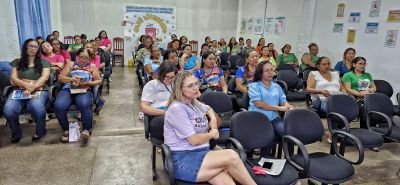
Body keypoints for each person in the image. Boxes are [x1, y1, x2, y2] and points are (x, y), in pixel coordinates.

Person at [164, 71, 256, 184]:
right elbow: (193, 140)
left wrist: (212, 121)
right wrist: (212, 134)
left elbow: (209, 109)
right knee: (231, 156)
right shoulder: (177, 108)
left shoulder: (193, 101)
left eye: (196, 83)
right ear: (179, 89)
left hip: (203, 153)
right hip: (183, 159)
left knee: (227, 181)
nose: (196, 87)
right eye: (190, 86)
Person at [3, 38, 51, 143]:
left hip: (39, 90)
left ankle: (41, 131)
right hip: (19, 91)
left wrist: (31, 88)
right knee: (8, 109)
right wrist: (26, 86)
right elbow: (13, 79)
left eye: (35, 47)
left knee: (36, 107)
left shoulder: (44, 62)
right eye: (30, 46)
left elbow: (44, 78)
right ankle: (16, 133)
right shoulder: (16, 62)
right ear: (25, 47)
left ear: (38, 49)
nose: (33, 48)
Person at [55, 48, 102, 142]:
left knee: (84, 104)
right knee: (59, 106)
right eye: (81, 57)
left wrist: (88, 83)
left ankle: (86, 130)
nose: (83, 60)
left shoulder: (92, 66)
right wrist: (72, 79)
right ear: (77, 57)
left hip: (84, 89)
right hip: (68, 89)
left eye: (86, 58)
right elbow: (60, 77)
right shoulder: (70, 64)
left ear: (89, 58)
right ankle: (66, 129)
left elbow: (99, 80)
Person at [248, 61, 293, 155]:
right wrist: (279, 108)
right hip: (259, 119)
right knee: (270, 136)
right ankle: (265, 160)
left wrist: (288, 106)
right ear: (261, 73)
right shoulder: (254, 86)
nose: (270, 72)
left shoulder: (276, 86)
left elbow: (283, 100)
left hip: (274, 118)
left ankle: (292, 160)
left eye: (271, 70)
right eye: (266, 71)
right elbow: (259, 104)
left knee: (289, 133)